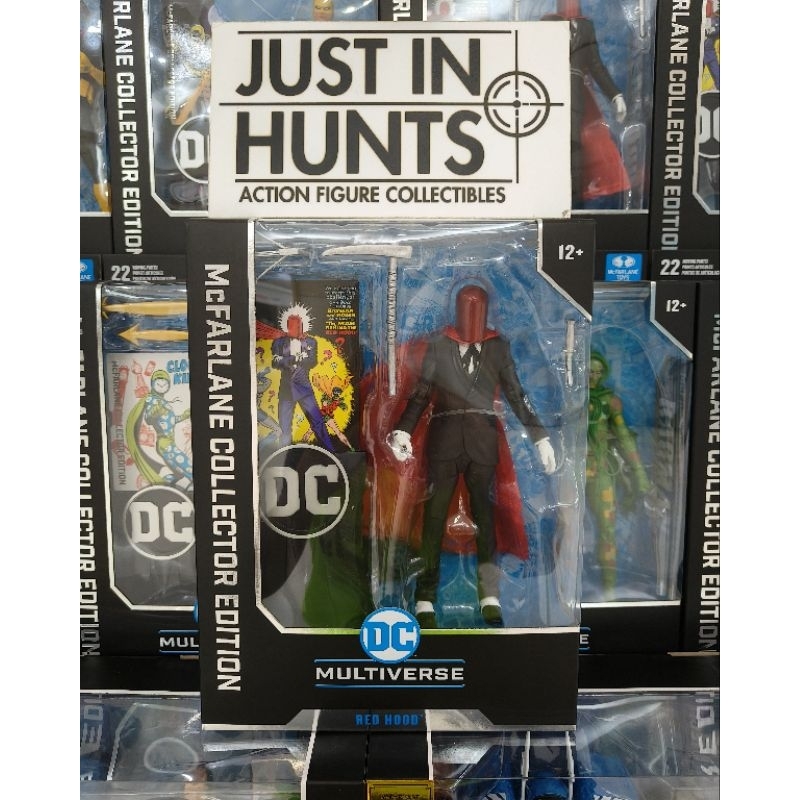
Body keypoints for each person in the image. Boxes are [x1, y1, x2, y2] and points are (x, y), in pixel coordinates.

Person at [388, 285, 556, 628]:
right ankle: (424, 597)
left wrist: (540, 436)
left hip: (482, 442)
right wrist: (403, 430)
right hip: (444, 442)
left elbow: (516, 394)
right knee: (433, 520)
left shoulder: (498, 347)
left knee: (485, 518)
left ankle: (489, 595)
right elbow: (421, 394)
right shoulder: (439, 344)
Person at [542, 0, 627, 207]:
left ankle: (573, 199)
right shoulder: (547, 23)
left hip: (576, 95)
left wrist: (615, 95)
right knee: (549, 147)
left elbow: (596, 65)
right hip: (548, 94)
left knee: (575, 147)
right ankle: (551, 195)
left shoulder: (585, 27)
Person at [585, 351, 651, 593]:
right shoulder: (571, 397)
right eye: (589, 371)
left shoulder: (609, 401)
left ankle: (608, 590)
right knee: (565, 528)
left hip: (600, 471)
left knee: (607, 530)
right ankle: (563, 588)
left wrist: (639, 474)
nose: (594, 376)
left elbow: (624, 438)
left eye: (598, 371)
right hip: (571, 471)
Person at [271, 311, 336, 452]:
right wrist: (296, 357)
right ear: (288, 327)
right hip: (286, 391)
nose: (297, 329)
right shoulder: (278, 342)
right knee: (284, 428)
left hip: (304, 388)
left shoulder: (310, 342)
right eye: (293, 326)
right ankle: (283, 456)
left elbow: (312, 361)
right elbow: (275, 363)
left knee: (318, 422)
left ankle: (330, 452)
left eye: (299, 326)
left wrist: (287, 360)